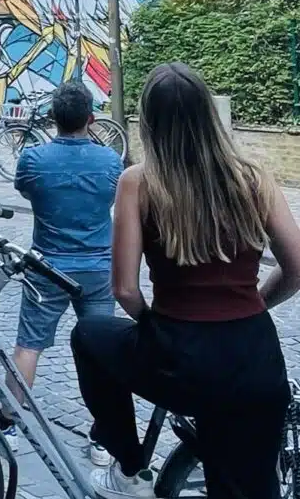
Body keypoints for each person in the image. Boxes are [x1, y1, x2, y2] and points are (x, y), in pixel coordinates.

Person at [71, 63, 300, 498]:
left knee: (89, 335)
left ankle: (129, 462)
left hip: (180, 357)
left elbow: (124, 290)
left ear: (149, 122)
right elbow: (297, 266)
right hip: (254, 356)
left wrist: (154, 325)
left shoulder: (139, 183)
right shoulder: (253, 177)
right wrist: (255, 304)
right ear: (208, 113)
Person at [0, 81, 122, 457]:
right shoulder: (110, 161)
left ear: (52, 118)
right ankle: (104, 436)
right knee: (103, 352)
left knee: (28, 346)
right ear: (91, 119)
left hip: (47, 267)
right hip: (97, 269)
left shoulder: (33, 159)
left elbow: (26, 190)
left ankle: (8, 424)